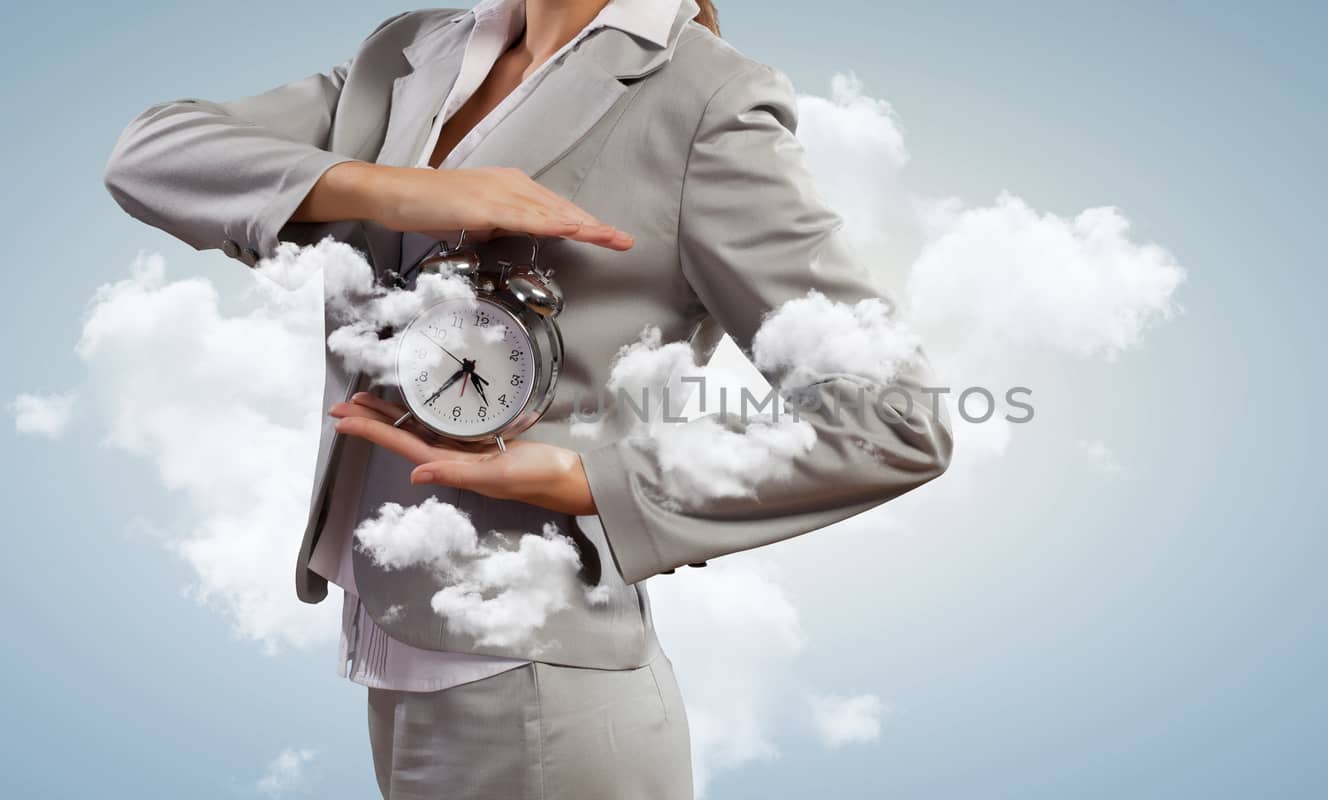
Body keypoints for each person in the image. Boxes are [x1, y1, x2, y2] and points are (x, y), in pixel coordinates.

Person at [103, 0, 953, 797]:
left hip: (543, 691)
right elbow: (152, 153)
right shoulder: (412, 51)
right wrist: (397, 188)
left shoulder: (707, 101)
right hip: (398, 648)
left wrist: (592, 483)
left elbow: (893, 420)